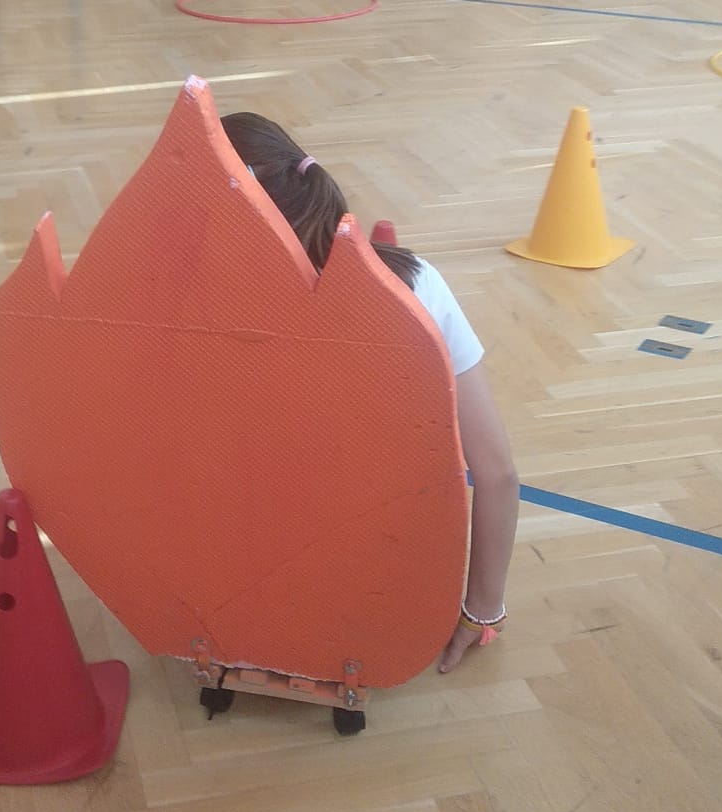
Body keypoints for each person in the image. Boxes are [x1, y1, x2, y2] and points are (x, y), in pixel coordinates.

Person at [221, 113, 519, 674]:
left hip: (249, 577)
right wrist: (483, 609)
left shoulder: (211, 310)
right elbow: (497, 473)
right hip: (388, 582)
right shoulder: (416, 284)